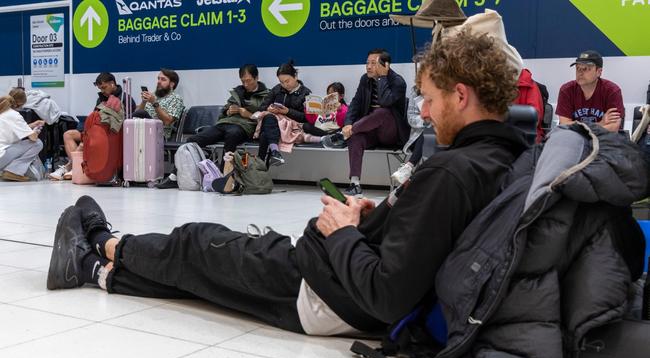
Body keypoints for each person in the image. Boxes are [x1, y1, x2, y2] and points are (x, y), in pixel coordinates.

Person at [46, 30, 527, 337]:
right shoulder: (499, 158)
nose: (422, 110)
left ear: (460, 95)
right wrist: (370, 218)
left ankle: (105, 243)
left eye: (430, 99)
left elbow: (387, 294)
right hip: (337, 281)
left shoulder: (451, 171)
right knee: (203, 274)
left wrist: (341, 231)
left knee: (197, 243)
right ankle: (92, 269)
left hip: (329, 290)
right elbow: (417, 246)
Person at [155, 65, 270, 189]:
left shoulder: (266, 95)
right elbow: (223, 111)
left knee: (232, 135)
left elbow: (264, 116)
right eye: (243, 81)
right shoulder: (238, 92)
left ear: (256, 78)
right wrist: (228, 111)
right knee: (191, 141)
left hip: (245, 126)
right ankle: (174, 176)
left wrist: (245, 113)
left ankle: (222, 177)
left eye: (249, 81)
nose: (246, 84)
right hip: (225, 123)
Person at [322, 49, 408, 197]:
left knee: (382, 112)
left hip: (391, 134)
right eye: (367, 63)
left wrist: (382, 78)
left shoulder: (398, 82)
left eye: (373, 63)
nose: (368, 67)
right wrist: (348, 124)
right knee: (354, 137)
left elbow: (385, 101)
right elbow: (355, 103)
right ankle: (355, 184)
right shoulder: (365, 80)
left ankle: (342, 135)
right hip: (371, 131)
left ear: (385, 65)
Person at [49, 72, 136, 180]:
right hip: (97, 132)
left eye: (104, 87)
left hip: (112, 134)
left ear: (112, 83)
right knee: (68, 135)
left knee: (83, 143)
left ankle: (70, 167)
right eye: (100, 89)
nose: (102, 91)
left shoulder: (126, 99)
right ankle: (76, 167)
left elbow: (126, 122)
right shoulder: (100, 99)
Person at [255, 61, 311, 167]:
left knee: (264, 135)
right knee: (269, 117)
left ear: (295, 76)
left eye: (287, 81)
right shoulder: (277, 89)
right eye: (281, 82)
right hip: (274, 125)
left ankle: (261, 166)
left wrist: (287, 112)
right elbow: (262, 107)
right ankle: (273, 156)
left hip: (291, 128)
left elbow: (306, 118)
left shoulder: (306, 93)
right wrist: (270, 108)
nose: (285, 85)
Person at [556, 50, 624, 132]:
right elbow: (564, 125)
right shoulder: (566, 90)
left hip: (604, 142)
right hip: (575, 141)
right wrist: (599, 124)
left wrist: (577, 128)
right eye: (578, 68)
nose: (580, 73)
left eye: (586, 69)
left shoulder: (612, 91)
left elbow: (613, 128)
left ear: (599, 72)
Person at [390, 86, 430, 184]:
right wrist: (427, 121)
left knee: (430, 134)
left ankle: (409, 167)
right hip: (419, 134)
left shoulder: (446, 87)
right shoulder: (415, 90)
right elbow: (411, 118)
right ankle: (409, 170)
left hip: (442, 133)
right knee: (427, 134)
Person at [0, 95, 44, 181]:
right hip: (2, 156)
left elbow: (12, 129)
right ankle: (13, 171)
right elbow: (33, 138)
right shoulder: (14, 115)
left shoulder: (2, 113)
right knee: (37, 143)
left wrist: (32, 125)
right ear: (20, 105)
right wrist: (36, 131)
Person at [133, 68, 185, 140]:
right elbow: (135, 115)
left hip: (159, 135)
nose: (158, 82)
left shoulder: (176, 99)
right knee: (133, 115)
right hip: (141, 131)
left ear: (171, 84)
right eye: (158, 79)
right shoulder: (153, 95)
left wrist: (154, 103)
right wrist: (144, 102)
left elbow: (167, 121)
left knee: (141, 113)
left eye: (163, 79)